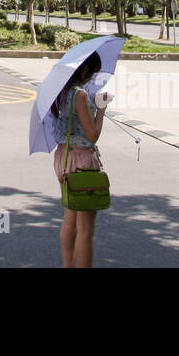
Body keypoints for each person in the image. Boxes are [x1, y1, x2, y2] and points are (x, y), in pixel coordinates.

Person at [51, 51, 108, 268]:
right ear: (84, 69)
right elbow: (92, 134)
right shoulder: (80, 95)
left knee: (70, 218)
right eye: (92, 72)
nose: (92, 77)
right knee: (86, 228)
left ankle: (67, 265)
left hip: (63, 156)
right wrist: (101, 110)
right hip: (82, 160)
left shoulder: (62, 92)